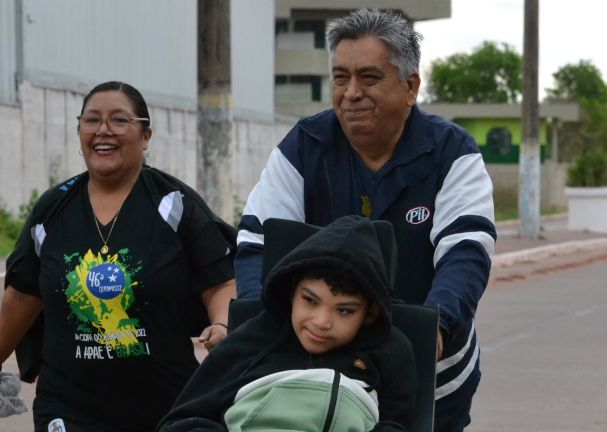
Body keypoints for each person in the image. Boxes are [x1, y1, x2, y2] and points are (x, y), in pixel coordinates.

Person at [234, 9, 496, 431]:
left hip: (429, 377)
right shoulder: (304, 146)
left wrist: (438, 326)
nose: (351, 92)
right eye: (341, 78)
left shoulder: (452, 151)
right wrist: (254, 320)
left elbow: (466, 250)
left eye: (369, 77)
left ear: (410, 87)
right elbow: (257, 243)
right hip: (314, 377)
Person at [0, 81, 237, 431]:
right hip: (67, 407)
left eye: (120, 120)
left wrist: (222, 325)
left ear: (145, 135)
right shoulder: (53, 210)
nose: (103, 130)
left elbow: (219, 282)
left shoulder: (174, 205)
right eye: (91, 120)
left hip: (165, 407)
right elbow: (21, 296)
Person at [158, 215, 416, 431]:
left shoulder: (389, 351)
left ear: (370, 314)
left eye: (345, 311)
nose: (322, 322)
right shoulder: (252, 340)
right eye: (310, 301)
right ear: (292, 293)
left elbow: (398, 424)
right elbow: (182, 421)